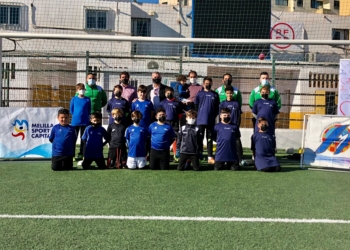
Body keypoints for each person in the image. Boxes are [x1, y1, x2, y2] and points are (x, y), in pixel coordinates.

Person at [195, 76, 220, 164]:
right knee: (199, 138)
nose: (208, 84)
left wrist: (213, 116)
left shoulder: (215, 94)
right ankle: (199, 154)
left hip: (211, 121)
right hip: (200, 121)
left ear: (212, 84)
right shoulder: (199, 94)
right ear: (203, 84)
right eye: (206, 83)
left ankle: (210, 156)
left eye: (209, 83)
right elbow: (196, 107)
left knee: (210, 139)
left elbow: (217, 108)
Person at [219, 85, 246, 166]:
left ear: (233, 94)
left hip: (234, 127)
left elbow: (238, 116)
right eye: (227, 93)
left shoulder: (236, 103)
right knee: (225, 143)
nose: (229, 95)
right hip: (224, 127)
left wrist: (237, 126)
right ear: (225, 94)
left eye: (230, 93)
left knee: (237, 142)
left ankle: (240, 159)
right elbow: (220, 116)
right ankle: (224, 158)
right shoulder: (222, 104)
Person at [159, 87, 183, 161]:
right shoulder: (162, 103)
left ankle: (176, 155)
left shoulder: (177, 103)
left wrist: (176, 120)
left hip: (175, 123)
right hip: (165, 123)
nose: (169, 94)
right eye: (168, 93)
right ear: (165, 94)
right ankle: (166, 155)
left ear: (173, 93)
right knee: (166, 138)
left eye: (171, 93)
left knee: (175, 139)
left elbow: (180, 114)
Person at [70, 83, 91, 160]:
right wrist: (77, 115)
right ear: (77, 90)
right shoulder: (74, 99)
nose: (81, 90)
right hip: (75, 122)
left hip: (85, 122)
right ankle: (72, 155)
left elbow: (89, 110)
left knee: (83, 139)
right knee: (73, 139)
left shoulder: (88, 99)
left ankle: (82, 154)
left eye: (83, 89)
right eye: (80, 89)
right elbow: (71, 110)